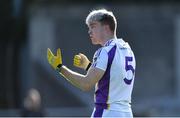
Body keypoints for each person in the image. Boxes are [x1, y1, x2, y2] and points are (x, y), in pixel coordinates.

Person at [47, 9, 136, 117]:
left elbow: (86, 84)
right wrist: (88, 65)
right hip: (126, 113)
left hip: (107, 112)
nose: (89, 31)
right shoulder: (127, 49)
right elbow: (110, 76)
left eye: (93, 26)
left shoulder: (104, 51)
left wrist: (60, 67)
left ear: (106, 27)